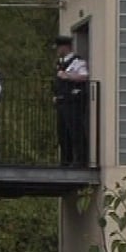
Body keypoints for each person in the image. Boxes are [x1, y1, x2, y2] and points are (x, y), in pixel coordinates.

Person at [53, 35, 89, 167]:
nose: (57, 51)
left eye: (59, 48)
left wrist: (67, 76)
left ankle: (80, 159)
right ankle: (65, 160)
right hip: (62, 101)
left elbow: (84, 76)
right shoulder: (60, 63)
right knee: (63, 132)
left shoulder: (77, 61)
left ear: (65, 47)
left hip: (73, 101)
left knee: (75, 130)